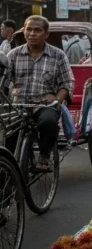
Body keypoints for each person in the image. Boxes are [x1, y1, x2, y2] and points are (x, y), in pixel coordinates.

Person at [6, 16, 74, 170]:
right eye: (29, 29)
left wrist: (57, 99)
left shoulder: (58, 55)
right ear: (24, 32)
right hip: (18, 105)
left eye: (37, 30)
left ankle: (44, 154)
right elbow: (4, 82)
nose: (32, 34)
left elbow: (66, 83)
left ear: (46, 34)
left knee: (48, 123)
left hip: (45, 105)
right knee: (7, 136)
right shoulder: (13, 55)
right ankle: (8, 176)